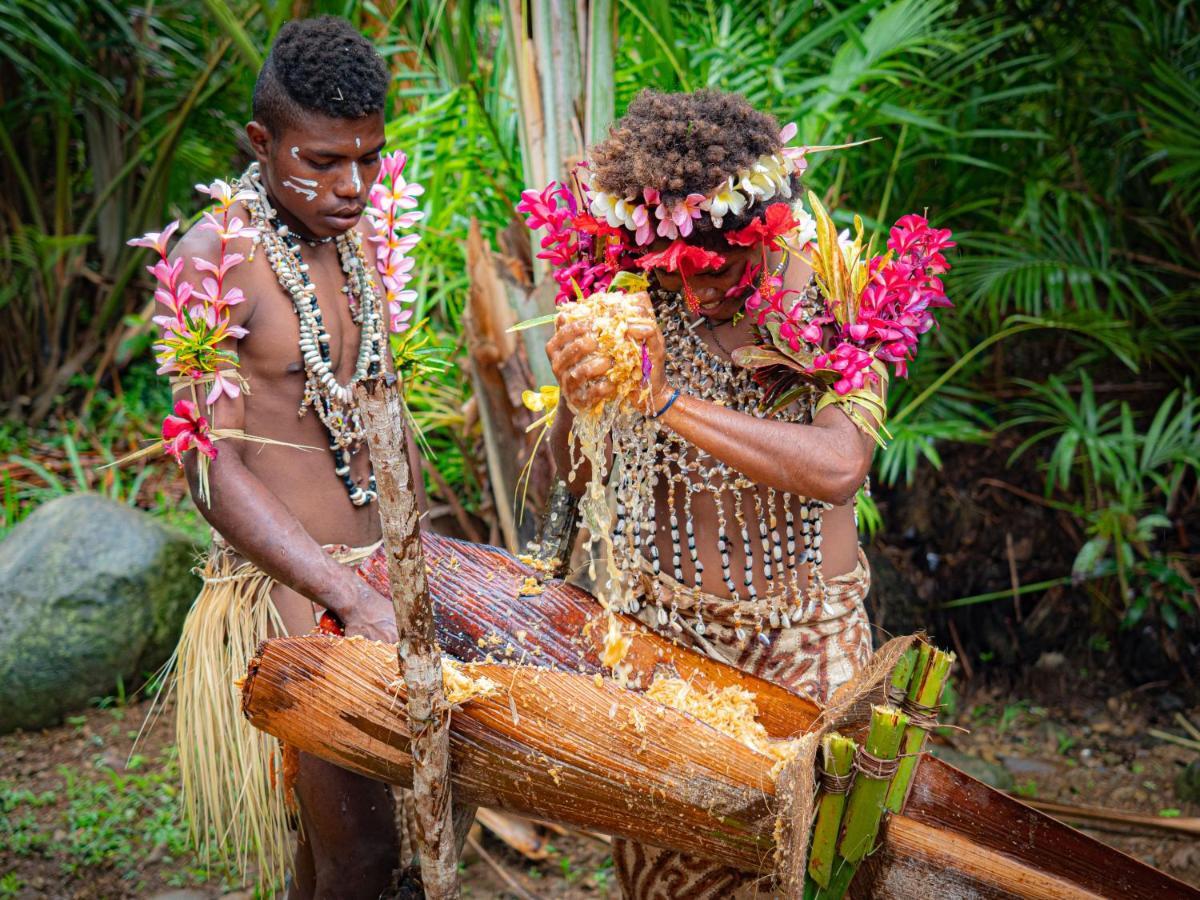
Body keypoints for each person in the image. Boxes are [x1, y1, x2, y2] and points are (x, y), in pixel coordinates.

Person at [543, 89, 883, 898]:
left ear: (759, 229)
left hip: (805, 653)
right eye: (674, 274)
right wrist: (577, 393)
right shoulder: (620, 291)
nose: (695, 299)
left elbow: (841, 464)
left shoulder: (833, 290)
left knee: (817, 875)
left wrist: (666, 403)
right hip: (661, 648)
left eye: (721, 270)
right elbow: (570, 471)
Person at [147, 17, 422, 898]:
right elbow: (206, 467)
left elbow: (377, 414)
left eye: (368, 159)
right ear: (262, 143)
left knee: (349, 857)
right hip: (294, 601)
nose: (354, 185)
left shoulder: (355, 237)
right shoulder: (212, 258)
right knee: (365, 859)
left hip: (378, 586)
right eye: (324, 161)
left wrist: (420, 566)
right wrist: (341, 595)